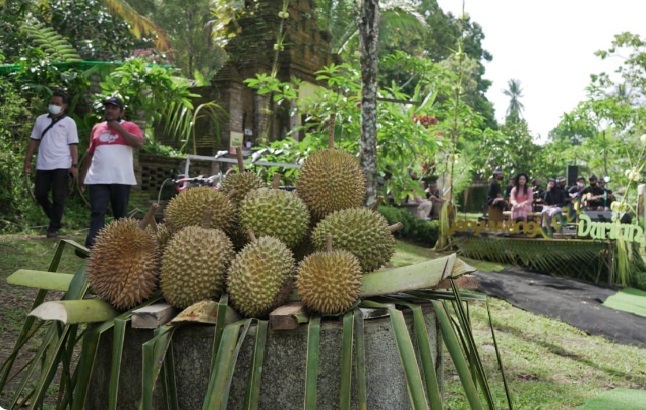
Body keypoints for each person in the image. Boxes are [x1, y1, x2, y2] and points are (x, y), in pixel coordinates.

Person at [79, 97, 144, 250]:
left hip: (120, 179)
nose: (109, 110)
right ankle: (93, 245)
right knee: (97, 211)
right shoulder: (97, 127)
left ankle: (121, 246)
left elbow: (139, 144)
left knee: (120, 215)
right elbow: (90, 153)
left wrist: (119, 129)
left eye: (114, 108)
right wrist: (82, 177)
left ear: (121, 111)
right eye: (107, 107)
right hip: (98, 178)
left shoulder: (130, 126)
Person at [23, 91, 79, 238]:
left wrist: (74, 165)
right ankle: (55, 217)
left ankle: (53, 228)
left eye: (57, 104)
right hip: (43, 163)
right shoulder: (41, 120)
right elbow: (34, 141)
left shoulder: (69, 123)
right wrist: (27, 161)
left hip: (61, 163)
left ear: (64, 106)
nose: (53, 106)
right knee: (40, 194)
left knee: (58, 196)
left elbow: (73, 145)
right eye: (52, 102)